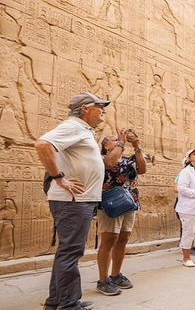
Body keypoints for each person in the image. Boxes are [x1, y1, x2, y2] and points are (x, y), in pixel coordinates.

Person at [35, 92, 110, 310]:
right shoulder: (74, 126)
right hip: (73, 201)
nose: (103, 110)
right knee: (71, 252)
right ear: (85, 108)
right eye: (100, 106)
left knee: (67, 251)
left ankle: (57, 301)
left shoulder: (82, 129)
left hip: (78, 200)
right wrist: (60, 178)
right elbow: (42, 145)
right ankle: (68, 305)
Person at [96, 129, 147, 295]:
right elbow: (110, 165)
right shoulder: (102, 159)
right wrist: (122, 142)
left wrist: (137, 145)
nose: (118, 141)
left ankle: (116, 274)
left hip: (130, 202)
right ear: (106, 147)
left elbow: (142, 169)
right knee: (109, 239)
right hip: (111, 203)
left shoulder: (127, 160)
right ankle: (103, 280)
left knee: (123, 238)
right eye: (113, 140)